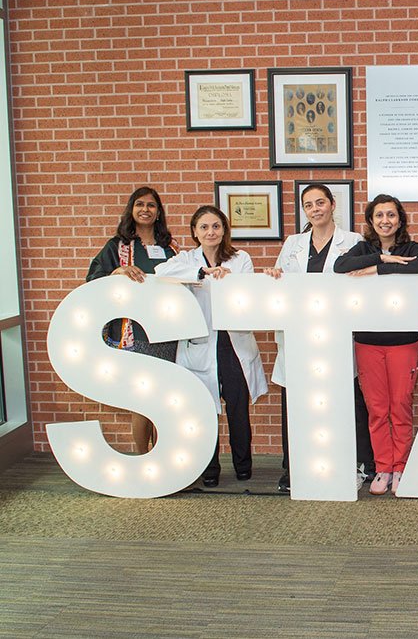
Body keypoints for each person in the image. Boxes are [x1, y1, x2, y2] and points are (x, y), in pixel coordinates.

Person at [265, 184, 371, 493]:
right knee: (296, 404)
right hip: (300, 337)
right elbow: (282, 281)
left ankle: (353, 464)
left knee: (344, 402)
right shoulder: (293, 243)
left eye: (320, 202)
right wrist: (274, 276)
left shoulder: (353, 241)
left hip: (336, 335)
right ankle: (293, 468)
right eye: (309, 205)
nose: (315, 209)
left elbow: (362, 284)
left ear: (332, 204)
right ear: (303, 210)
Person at [155, 206, 268, 488]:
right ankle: (210, 467)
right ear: (194, 232)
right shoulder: (186, 259)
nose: (210, 232)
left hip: (233, 342)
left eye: (216, 226)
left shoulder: (240, 259)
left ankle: (243, 465)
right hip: (201, 342)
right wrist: (201, 273)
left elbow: (249, 293)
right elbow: (161, 271)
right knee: (204, 409)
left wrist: (227, 278)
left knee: (238, 408)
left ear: (224, 230)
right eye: (204, 227)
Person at [334, 195, 418, 496]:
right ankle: (382, 467)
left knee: (400, 407)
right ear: (371, 221)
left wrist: (379, 269)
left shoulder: (412, 248)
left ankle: (401, 466)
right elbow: (341, 265)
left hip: (403, 342)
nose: (385, 221)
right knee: (377, 409)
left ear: (399, 219)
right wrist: (381, 258)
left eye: (391, 215)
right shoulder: (364, 248)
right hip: (368, 342)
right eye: (379, 216)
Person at [86, 186, 179, 454]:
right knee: (142, 400)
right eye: (140, 205)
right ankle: (143, 458)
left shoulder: (170, 247)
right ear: (131, 210)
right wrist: (116, 271)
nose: (146, 210)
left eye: (151, 205)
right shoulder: (117, 246)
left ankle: (163, 458)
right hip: (134, 332)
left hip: (166, 334)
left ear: (159, 211)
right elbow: (92, 280)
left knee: (163, 400)